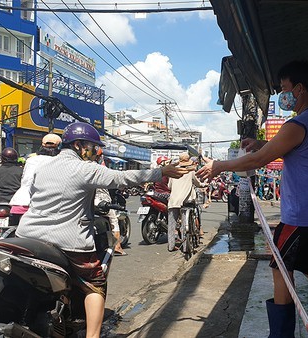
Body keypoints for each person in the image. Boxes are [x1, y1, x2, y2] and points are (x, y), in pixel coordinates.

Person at [197, 60, 308, 338]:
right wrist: (261, 143)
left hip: (301, 216)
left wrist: (219, 166)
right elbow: (290, 148)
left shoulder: (298, 123)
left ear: (299, 89)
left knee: (280, 269)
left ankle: (281, 335)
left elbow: (262, 159)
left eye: (285, 88)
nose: (282, 95)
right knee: (307, 266)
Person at [15, 122, 187, 338]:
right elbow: (121, 178)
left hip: (26, 235)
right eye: (93, 146)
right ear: (78, 145)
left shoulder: (43, 167)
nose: (97, 151)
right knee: (95, 282)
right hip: (65, 239)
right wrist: (160, 171)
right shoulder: (85, 169)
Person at [9, 133, 62, 221]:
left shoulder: (31, 159)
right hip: (41, 206)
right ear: (59, 146)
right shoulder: (58, 161)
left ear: (42, 145)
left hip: (19, 202)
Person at [166, 152, 203, 252]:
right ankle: (186, 247)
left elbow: (169, 186)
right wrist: (203, 185)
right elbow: (198, 183)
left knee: (171, 224)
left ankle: (171, 246)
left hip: (173, 200)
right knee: (184, 224)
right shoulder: (191, 171)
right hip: (186, 201)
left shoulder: (173, 171)